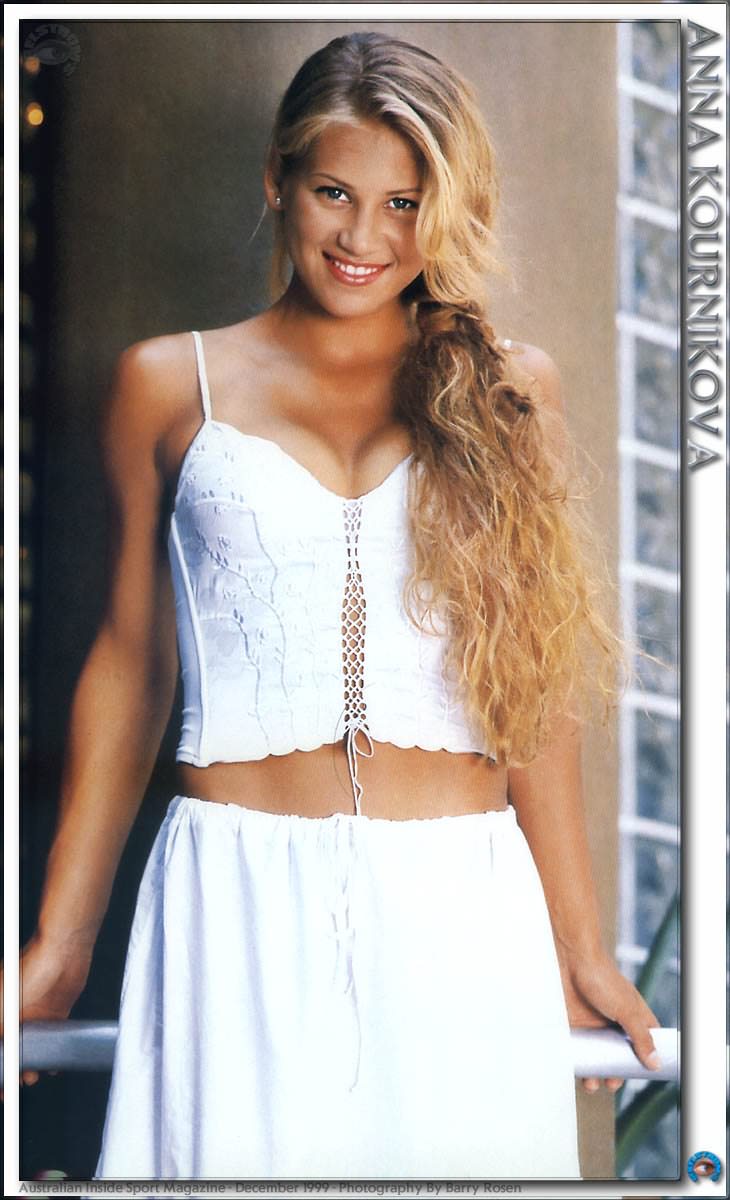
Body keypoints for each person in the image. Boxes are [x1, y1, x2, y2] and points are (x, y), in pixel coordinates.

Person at [10, 31, 661, 1181]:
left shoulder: (512, 389)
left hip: (463, 909)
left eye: (404, 204)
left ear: (444, 211)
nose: (364, 239)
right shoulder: (167, 381)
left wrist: (579, 948)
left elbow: (531, 686)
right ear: (278, 179)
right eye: (334, 193)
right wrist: (62, 941)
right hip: (232, 900)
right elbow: (131, 664)